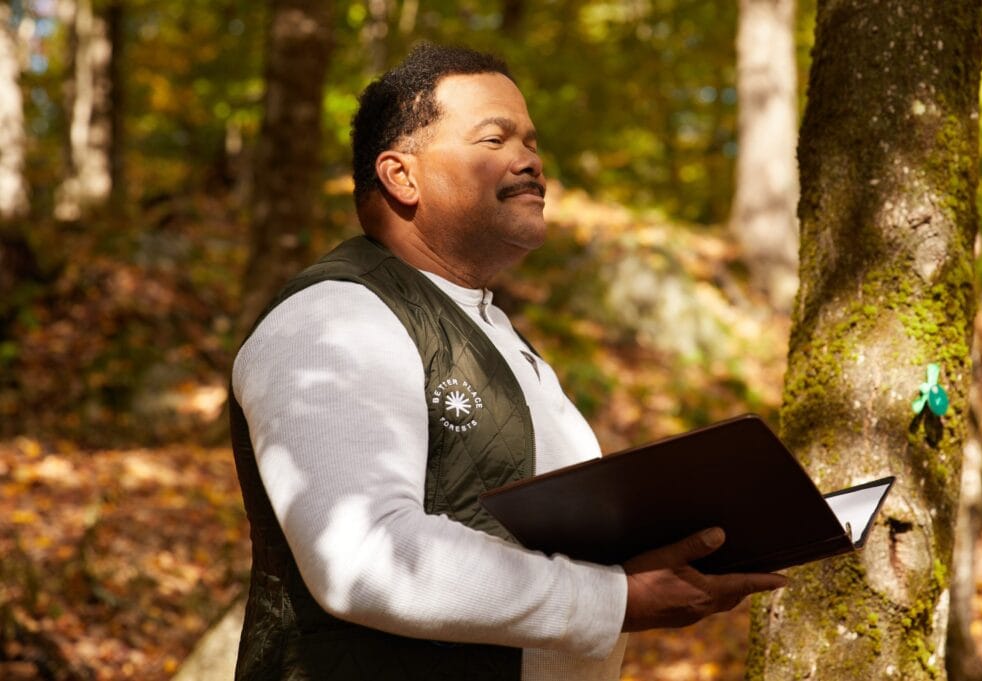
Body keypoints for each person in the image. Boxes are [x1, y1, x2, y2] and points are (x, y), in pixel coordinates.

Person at [229, 42, 786, 681]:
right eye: (494, 140)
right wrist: (614, 600)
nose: (530, 161)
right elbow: (364, 559)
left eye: (531, 141)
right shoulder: (334, 317)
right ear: (400, 175)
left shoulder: (490, 331)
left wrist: (641, 570)